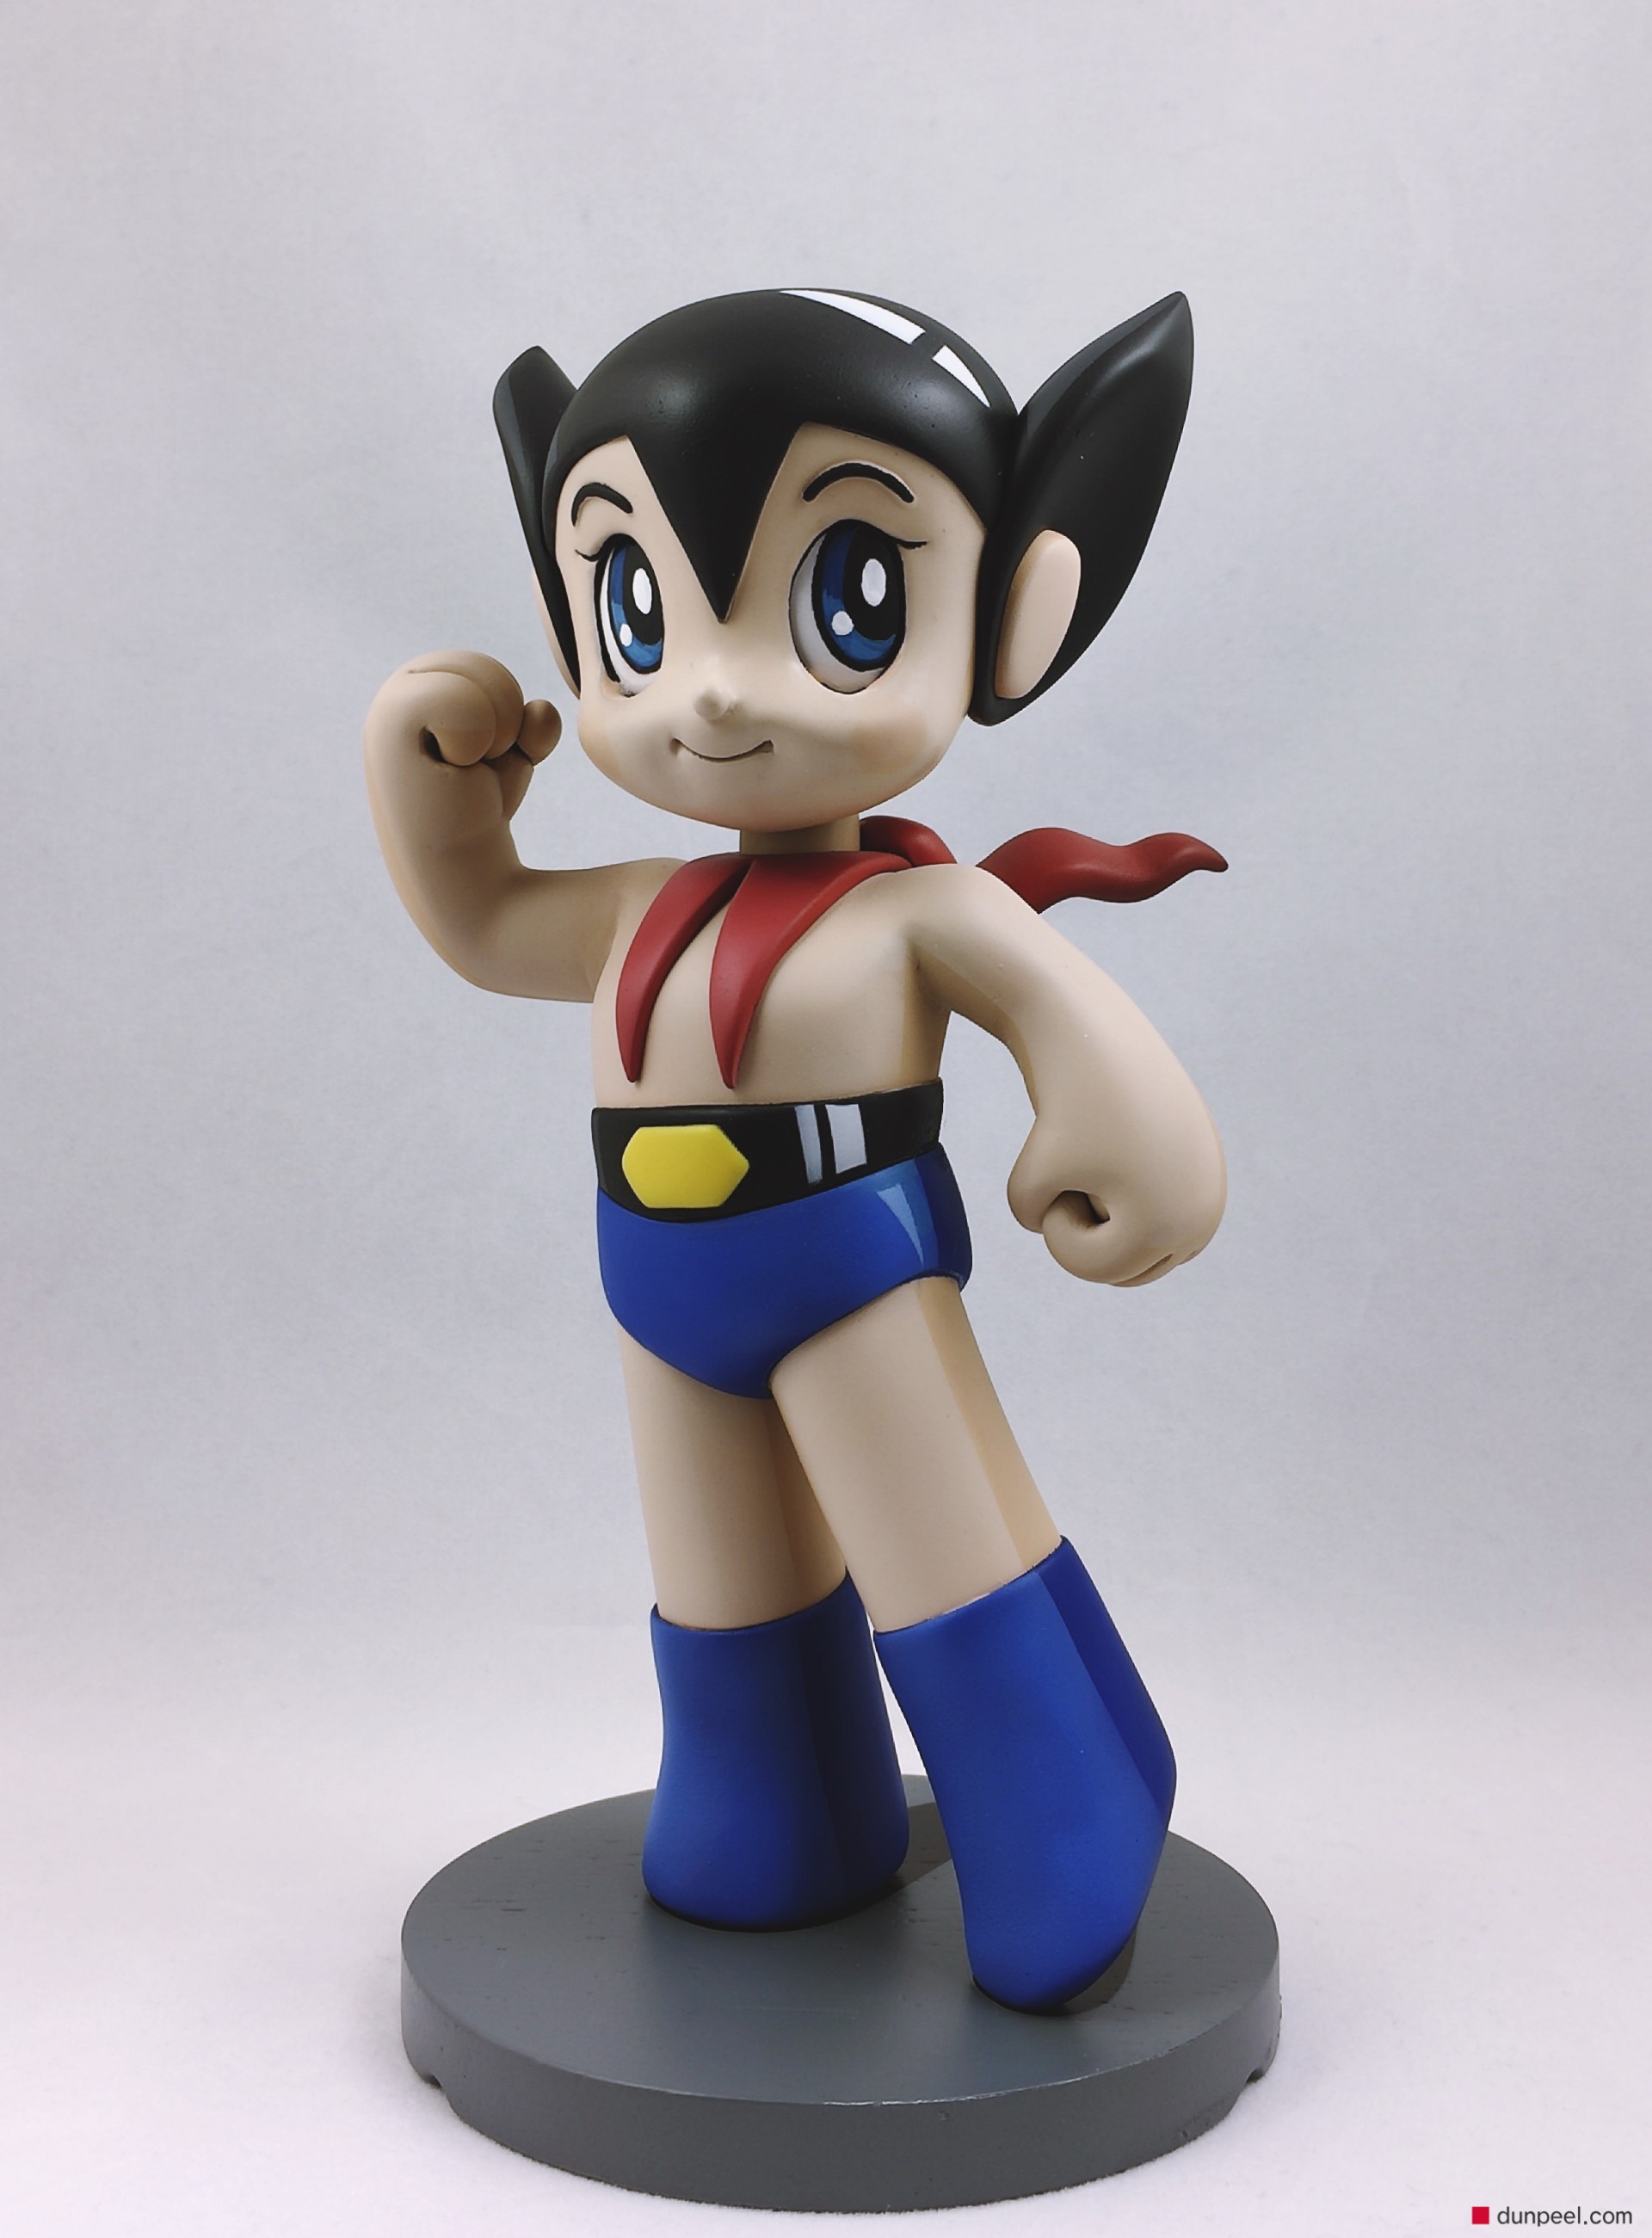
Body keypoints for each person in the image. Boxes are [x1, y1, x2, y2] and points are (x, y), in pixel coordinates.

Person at [364, 287, 1227, 2012]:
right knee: (725, 1582)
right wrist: (424, 780)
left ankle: (1070, 1805)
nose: (713, 686)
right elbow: (484, 919)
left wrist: (1131, 1131)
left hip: (849, 1267)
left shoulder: (918, 908)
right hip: (656, 1282)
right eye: (636, 601)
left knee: (941, 1555)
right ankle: (778, 1818)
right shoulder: (637, 906)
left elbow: (1062, 1012)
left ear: (1015, 607)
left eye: (847, 596)